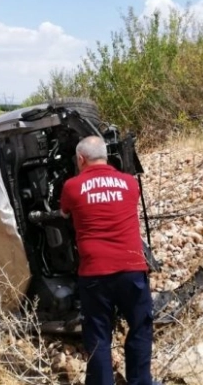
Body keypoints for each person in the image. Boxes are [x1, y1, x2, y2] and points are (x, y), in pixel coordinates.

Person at [60, 136, 154, 385]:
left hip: (94, 274)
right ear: (106, 155)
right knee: (140, 327)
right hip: (132, 269)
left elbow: (63, 213)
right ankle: (140, 381)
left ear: (80, 159)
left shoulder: (72, 186)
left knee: (99, 335)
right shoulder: (130, 183)